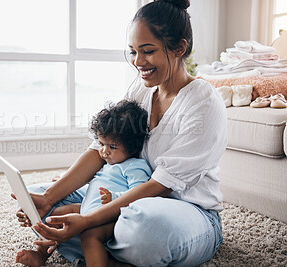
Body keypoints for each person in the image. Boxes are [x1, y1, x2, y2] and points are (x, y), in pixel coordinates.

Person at [16, 0, 227, 266]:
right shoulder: (141, 90)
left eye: (148, 51)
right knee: (37, 203)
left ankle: (96, 242)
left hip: (185, 211)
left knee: (144, 228)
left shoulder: (203, 104)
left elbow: (162, 186)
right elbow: (101, 149)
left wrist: (90, 218)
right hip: (124, 197)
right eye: (132, 51)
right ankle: (107, 249)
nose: (138, 62)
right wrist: (48, 198)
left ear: (179, 48)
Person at [15, 100, 152, 266]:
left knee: (90, 236)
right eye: (101, 144)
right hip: (89, 209)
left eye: (112, 147)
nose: (104, 151)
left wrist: (114, 197)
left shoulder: (135, 166)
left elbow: (140, 194)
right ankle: (42, 253)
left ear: (131, 147)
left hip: (112, 215)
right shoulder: (108, 164)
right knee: (56, 216)